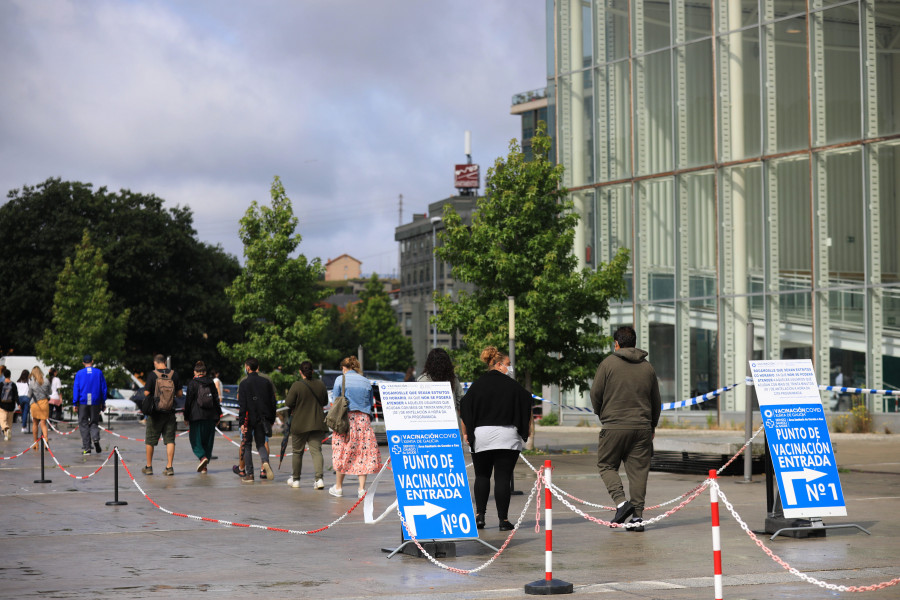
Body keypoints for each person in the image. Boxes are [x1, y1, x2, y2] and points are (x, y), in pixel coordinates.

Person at [590, 325, 661, 532]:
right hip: (642, 427)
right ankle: (637, 519)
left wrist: (602, 414)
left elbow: (596, 394)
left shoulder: (608, 364)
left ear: (616, 343)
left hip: (614, 425)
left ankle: (622, 503)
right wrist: (652, 424)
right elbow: (656, 400)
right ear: (635, 343)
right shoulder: (648, 367)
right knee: (639, 472)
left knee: (606, 465)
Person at [459, 346, 532, 531]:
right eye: (508, 364)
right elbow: (526, 399)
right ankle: (503, 520)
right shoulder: (512, 386)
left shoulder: (478, 385)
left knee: (482, 476)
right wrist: (525, 430)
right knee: (503, 478)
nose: (510, 367)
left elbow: (465, 405)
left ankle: (480, 516)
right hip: (507, 437)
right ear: (499, 365)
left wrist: (467, 432)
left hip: (482, 436)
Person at [328, 356, 383, 498]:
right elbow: (370, 402)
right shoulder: (366, 381)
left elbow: (335, 400)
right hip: (363, 421)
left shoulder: (341, 379)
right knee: (362, 452)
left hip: (346, 420)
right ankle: (361, 489)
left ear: (344, 367)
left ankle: (339, 487)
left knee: (341, 451)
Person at [284, 361, 328, 489]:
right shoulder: (320, 384)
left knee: (297, 452)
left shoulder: (297, 385)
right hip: (317, 422)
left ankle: (296, 479)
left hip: (299, 424)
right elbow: (325, 401)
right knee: (316, 451)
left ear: (300, 372)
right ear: (313, 371)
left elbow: (288, 402)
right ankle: (319, 479)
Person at [236, 357, 276, 484]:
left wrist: (241, 422)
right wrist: (271, 419)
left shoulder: (244, 383)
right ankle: (264, 462)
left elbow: (242, 405)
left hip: (248, 418)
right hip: (262, 418)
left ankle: (250, 474)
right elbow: (272, 402)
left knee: (247, 445)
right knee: (260, 443)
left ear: (247, 367)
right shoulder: (266, 382)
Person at [142, 354, 182, 476]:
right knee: (170, 440)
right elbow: (180, 394)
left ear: (155, 363)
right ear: (165, 362)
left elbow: (147, 392)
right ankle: (169, 467)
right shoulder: (174, 374)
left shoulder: (152, 375)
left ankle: (149, 467)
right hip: (169, 412)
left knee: (150, 440)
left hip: (155, 413)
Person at [417, 348, 465, 440]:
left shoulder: (421, 381)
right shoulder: (453, 380)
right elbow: (461, 403)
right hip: (451, 426)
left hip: (428, 427)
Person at [183, 360, 221, 473]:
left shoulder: (192, 383)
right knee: (208, 441)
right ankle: (204, 466)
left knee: (195, 440)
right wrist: (218, 416)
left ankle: (202, 458)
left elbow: (188, 402)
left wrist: (186, 417)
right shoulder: (211, 383)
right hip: (210, 417)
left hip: (196, 417)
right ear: (205, 372)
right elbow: (216, 400)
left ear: (195, 372)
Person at [72, 355, 108, 456]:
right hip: (95, 401)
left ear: (83, 362)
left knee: (83, 423)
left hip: (83, 401)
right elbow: (103, 388)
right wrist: (103, 402)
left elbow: (76, 388)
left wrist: (75, 403)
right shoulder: (99, 372)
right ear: (92, 361)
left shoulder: (79, 373)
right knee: (94, 422)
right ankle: (95, 438)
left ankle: (87, 448)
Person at [27, 366, 51, 449]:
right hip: (44, 403)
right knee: (43, 423)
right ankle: (46, 440)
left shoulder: (32, 383)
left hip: (35, 404)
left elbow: (29, 395)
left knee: (35, 423)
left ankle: (35, 442)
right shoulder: (46, 381)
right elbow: (50, 392)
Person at [0, 369, 16, 441]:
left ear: (4, 375)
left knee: (3, 421)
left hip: (2, 405)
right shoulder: (13, 384)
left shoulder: (1, 384)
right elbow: (16, 395)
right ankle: (7, 433)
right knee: (9, 421)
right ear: (10, 375)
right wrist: (18, 404)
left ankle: (6, 430)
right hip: (11, 405)